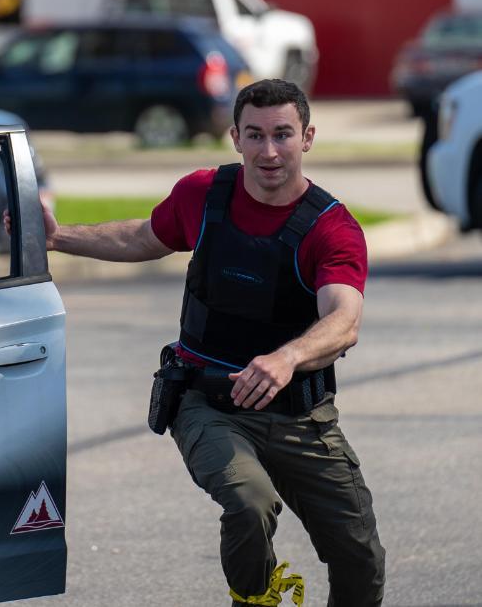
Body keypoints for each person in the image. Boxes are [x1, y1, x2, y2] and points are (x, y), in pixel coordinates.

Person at [37, 79, 385, 606]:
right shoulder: (204, 194)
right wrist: (58, 237)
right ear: (235, 138)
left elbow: (344, 320)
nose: (269, 151)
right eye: (255, 135)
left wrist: (287, 357)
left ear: (308, 137)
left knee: (360, 556)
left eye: (283, 135)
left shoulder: (330, 228)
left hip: (298, 415)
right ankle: (255, 597)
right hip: (207, 401)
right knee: (249, 502)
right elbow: (141, 238)